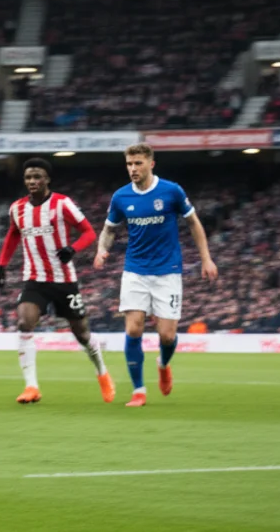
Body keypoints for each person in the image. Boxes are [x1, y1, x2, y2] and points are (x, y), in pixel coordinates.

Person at [94, 143, 218, 407]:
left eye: (138, 163)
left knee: (167, 336)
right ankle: (139, 390)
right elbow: (109, 229)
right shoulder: (121, 197)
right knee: (133, 328)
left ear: (151, 164)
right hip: (135, 271)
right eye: (129, 164)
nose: (133, 169)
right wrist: (101, 250)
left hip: (168, 272)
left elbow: (193, 222)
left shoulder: (171, 191)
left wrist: (206, 258)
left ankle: (163, 364)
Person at [0, 158, 113, 404]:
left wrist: (73, 249)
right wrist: (1, 265)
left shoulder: (62, 204)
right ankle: (31, 387)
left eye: (37, 177)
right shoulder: (17, 208)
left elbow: (89, 232)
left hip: (64, 280)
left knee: (81, 333)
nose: (32, 182)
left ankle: (102, 371)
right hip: (34, 279)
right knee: (25, 321)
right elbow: (13, 234)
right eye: (28, 177)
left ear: (47, 179)